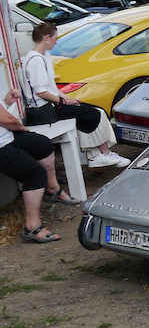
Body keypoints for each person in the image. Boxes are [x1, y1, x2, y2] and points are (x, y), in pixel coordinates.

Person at [23, 21, 128, 170]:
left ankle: (100, 155)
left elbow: (50, 87)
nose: (56, 42)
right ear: (46, 37)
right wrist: (63, 102)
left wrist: (66, 99)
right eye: (55, 38)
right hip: (44, 110)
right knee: (93, 113)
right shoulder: (36, 60)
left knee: (94, 110)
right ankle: (101, 155)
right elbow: (41, 92)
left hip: (51, 104)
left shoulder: (41, 56)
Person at [0, 86, 70, 242]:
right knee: (35, 174)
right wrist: (22, 128)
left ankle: (52, 189)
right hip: (2, 144)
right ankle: (32, 227)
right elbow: (7, 120)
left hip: (7, 136)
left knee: (42, 145)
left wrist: (5, 103)